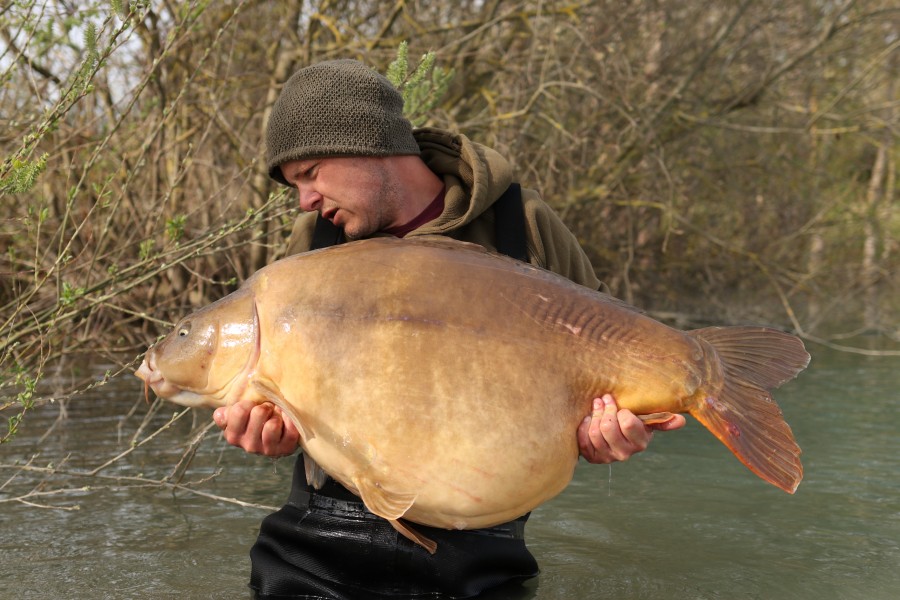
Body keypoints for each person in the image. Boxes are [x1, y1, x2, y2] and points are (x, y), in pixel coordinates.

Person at [212, 59, 685, 600]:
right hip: (319, 543)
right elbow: (284, 395)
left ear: (369, 143)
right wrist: (270, 431)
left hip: (481, 555)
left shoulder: (520, 224)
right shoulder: (313, 244)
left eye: (311, 172)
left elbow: (608, 360)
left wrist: (609, 435)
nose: (305, 200)